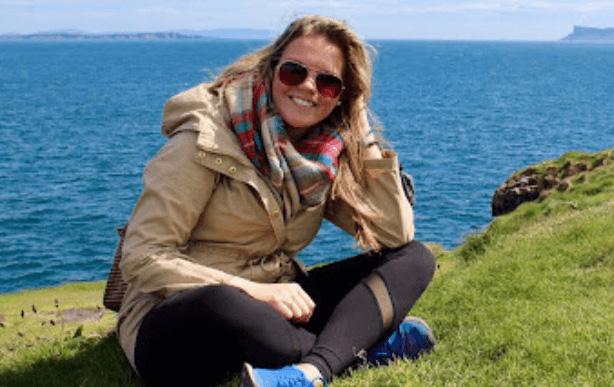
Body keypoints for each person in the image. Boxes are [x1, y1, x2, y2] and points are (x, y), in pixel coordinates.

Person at [115, 14, 436, 387]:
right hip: (183, 313)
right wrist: (255, 291)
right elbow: (142, 257)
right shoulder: (204, 140)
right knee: (241, 314)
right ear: (271, 70)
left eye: (329, 82)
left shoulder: (321, 154)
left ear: (341, 97)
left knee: (415, 258)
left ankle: (311, 372)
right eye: (294, 72)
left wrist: (362, 130)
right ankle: (358, 345)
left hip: (275, 298)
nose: (309, 87)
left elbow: (394, 234)